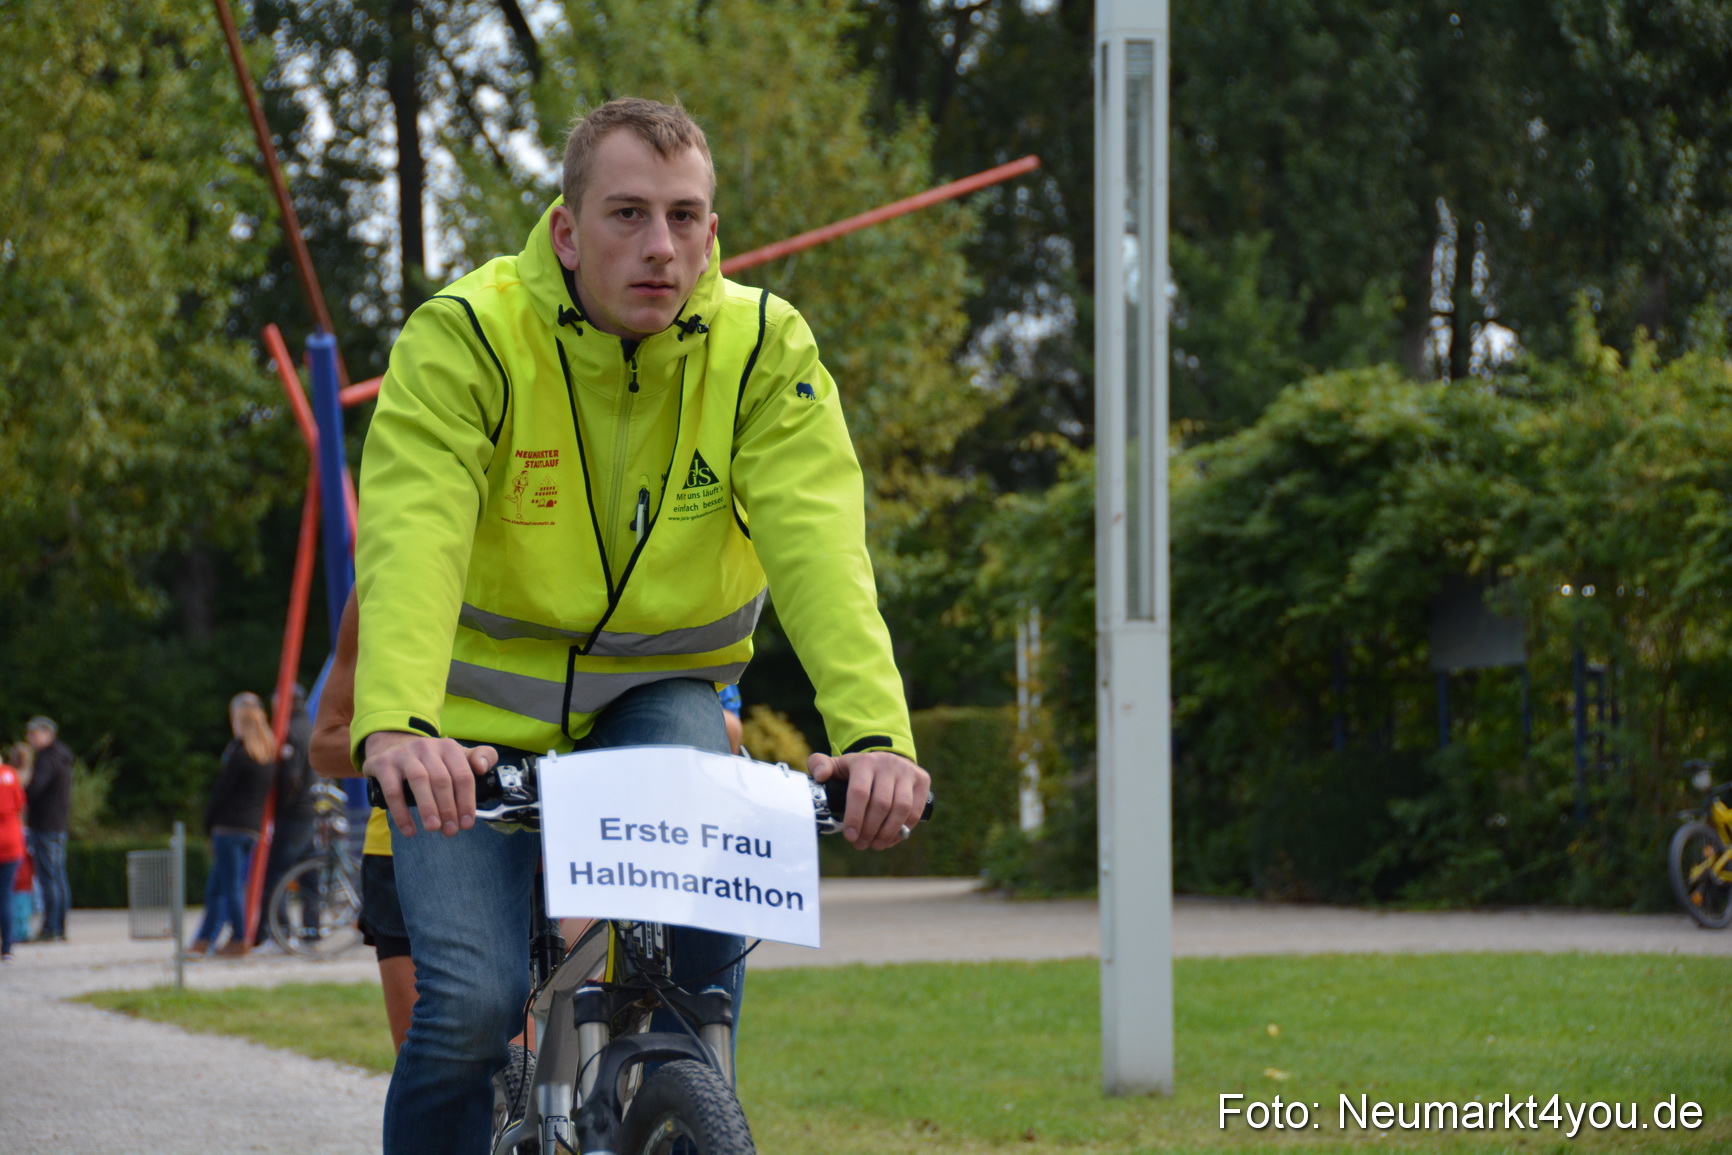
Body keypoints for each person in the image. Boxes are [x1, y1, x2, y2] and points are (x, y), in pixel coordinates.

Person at [352, 97, 931, 1151]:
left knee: (696, 970)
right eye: (626, 214)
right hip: (464, 717)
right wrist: (397, 721)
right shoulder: (469, 336)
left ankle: (682, 1113)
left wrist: (876, 737)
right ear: (565, 231)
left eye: (686, 216)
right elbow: (412, 536)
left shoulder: (763, 348)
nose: (661, 247)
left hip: (653, 696)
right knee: (473, 1013)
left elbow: (821, 550)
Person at [311, 591, 419, 1050]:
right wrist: (399, 753)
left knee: (534, 1071)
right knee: (431, 1062)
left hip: (535, 838)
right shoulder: (377, 585)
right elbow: (325, 745)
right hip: (403, 846)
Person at [189, 693, 275, 958]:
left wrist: (207, 823)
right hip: (251, 828)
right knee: (219, 886)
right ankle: (204, 939)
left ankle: (239, 938)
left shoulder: (238, 753)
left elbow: (221, 793)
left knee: (228, 887)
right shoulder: (267, 756)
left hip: (227, 827)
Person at [255, 685, 319, 948]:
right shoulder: (311, 726)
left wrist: (279, 808)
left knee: (276, 874)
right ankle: (311, 932)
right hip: (312, 810)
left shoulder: (290, 731)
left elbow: (292, 777)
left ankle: (277, 932)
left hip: (295, 814)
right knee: (309, 877)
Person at [22, 716, 73, 943]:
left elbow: (35, 789)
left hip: (45, 823)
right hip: (58, 823)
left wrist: (23, 789)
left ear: (47, 734)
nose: (30, 739)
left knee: (49, 878)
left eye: (33, 734)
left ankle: (51, 928)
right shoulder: (62, 756)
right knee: (59, 877)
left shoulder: (47, 758)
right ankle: (59, 927)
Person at [0, 746, 26, 961]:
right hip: (11, 840)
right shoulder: (10, 774)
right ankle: (7, 947)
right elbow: (19, 803)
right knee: (5, 894)